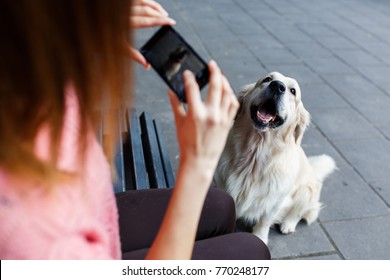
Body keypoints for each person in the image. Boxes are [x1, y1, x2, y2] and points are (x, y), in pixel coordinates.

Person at [0, 0, 270, 259]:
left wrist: (82, 37)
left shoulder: (20, 74)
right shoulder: (34, 241)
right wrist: (197, 166)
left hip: (90, 206)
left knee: (220, 206)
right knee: (252, 250)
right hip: (76, 237)